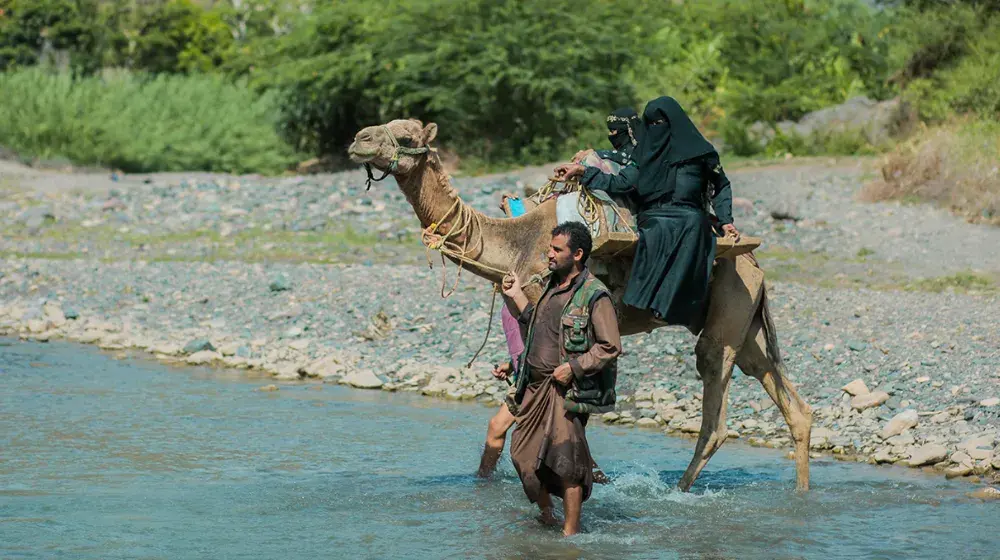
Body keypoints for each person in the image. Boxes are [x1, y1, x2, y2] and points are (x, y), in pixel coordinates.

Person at [554, 96, 740, 334]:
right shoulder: (644, 154)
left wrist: (726, 221)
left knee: (694, 225)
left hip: (690, 213)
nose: (655, 129)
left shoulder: (701, 154)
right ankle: (646, 303)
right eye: (650, 124)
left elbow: (721, 185)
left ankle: (677, 306)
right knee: (656, 231)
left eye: (660, 122)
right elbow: (621, 183)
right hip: (654, 214)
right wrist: (583, 171)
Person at [494, 221, 621, 536]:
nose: (548, 254)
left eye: (556, 250)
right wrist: (515, 295)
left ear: (577, 254)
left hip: (565, 391)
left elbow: (610, 346)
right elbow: (533, 324)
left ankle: (570, 533)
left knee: (566, 465)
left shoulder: (595, 294)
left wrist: (574, 367)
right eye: (550, 248)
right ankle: (547, 514)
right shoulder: (552, 285)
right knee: (522, 457)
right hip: (533, 390)